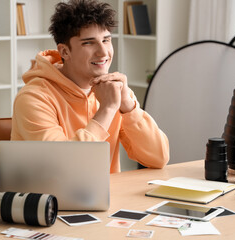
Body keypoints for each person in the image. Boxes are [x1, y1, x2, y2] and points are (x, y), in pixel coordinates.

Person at [11, 0, 169, 173]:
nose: (103, 52)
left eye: (106, 40)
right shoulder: (33, 97)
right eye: (89, 42)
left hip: (107, 197)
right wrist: (107, 109)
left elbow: (158, 158)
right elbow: (63, 170)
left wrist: (128, 107)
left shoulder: (114, 91)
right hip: (52, 199)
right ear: (64, 51)